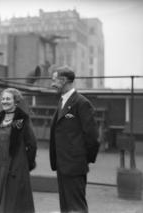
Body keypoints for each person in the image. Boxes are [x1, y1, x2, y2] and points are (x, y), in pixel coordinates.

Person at [49, 66, 100, 213]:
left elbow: (92, 137)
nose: (52, 84)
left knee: (77, 207)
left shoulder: (81, 103)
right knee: (65, 207)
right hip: (62, 165)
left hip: (74, 166)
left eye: (54, 80)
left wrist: (83, 160)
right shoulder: (62, 101)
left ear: (63, 80)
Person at [0, 88, 37, 213]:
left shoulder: (21, 119)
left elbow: (32, 144)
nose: (4, 101)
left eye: (8, 99)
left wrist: (26, 164)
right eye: (3, 99)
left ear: (16, 101)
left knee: (13, 199)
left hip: (16, 166)